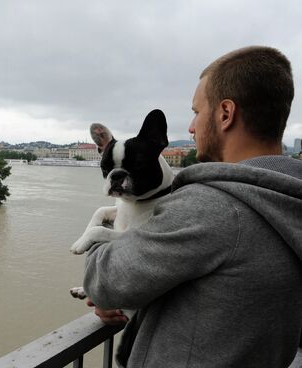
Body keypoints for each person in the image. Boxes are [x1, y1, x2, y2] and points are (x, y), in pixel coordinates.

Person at [81, 46, 302, 367]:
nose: (191, 127)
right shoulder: (289, 200)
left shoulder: (213, 208)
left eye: (197, 112)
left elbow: (104, 281)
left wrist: (99, 238)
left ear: (226, 114)